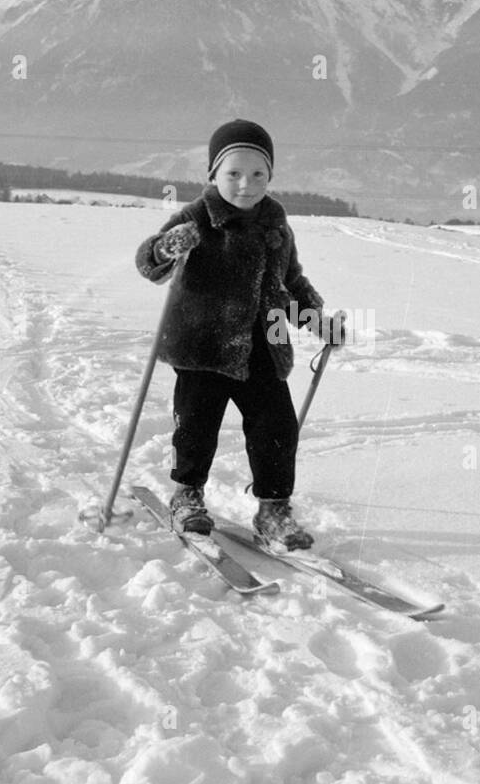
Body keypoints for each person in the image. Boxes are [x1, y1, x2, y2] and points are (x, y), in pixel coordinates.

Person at [135, 119, 346, 549]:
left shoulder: (277, 229)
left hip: (263, 350)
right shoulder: (196, 219)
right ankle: (187, 496)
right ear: (213, 174)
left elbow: (290, 285)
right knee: (195, 427)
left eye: (258, 174)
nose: (246, 185)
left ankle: (273, 510)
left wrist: (318, 321)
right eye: (233, 173)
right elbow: (147, 260)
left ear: (270, 177)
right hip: (202, 347)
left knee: (277, 429)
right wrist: (166, 247)